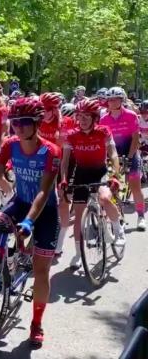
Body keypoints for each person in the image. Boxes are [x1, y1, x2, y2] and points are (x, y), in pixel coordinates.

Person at [0, 97, 61, 347]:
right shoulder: (10, 144)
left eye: (24, 122)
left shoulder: (51, 151)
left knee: (41, 271)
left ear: (37, 122)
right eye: (14, 122)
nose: (18, 127)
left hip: (45, 210)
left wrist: (30, 221)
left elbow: (43, 191)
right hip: (19, 201)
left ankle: (37, 322)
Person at [60, 99, 125, 268]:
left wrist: (115, 174)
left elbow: (113, 154)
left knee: (104, 198)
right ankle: (78, 254)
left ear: (95, 117)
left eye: (87, 116)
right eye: (80, 116)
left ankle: (118, 230)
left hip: (100, 172)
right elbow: (65, 162)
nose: (83, 120)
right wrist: (65, 180)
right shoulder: (71, 135)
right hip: (81, 174)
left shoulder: (103, 131)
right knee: (79, 215)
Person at [100, 87, 146, 231]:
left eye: (115, 99)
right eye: (109, 99)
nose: (111, 102)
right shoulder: (104, 118)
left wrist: (131, 157)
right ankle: (117, 215)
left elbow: (135, 139)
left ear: (122, 100)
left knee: (134, 185)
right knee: (112, 186)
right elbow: (104, 141)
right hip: (114, 154)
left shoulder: (131, 115)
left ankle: (140, 216)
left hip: (130, 152)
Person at [39, 92, 77, 255]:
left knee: (62, 201)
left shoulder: (67, 123)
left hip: (65, 161)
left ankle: (60, 241)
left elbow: (63, 149)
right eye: (42, 109)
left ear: (54, 110)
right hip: (45, 162)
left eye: (47, 109)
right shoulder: (38, 121)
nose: (44, 113)